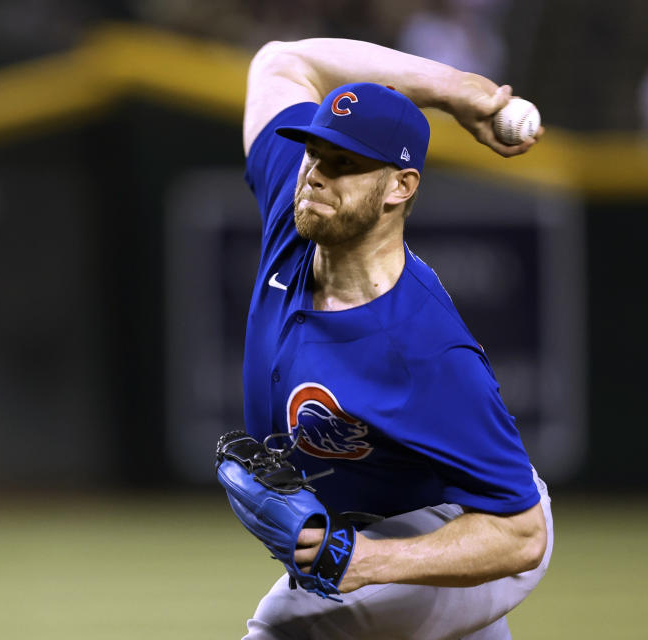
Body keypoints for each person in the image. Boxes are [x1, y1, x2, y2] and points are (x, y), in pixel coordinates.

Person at [237, 37, 553, 639]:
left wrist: (366, 562)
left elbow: (521, 533)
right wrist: (453, 89)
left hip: (457, 530)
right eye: (314, 152)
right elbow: (281, 60)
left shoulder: (424, 351)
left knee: (283, 626)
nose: (315, 176)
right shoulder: (296, 212)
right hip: (388, 531)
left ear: (399, 187)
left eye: (344, 163)